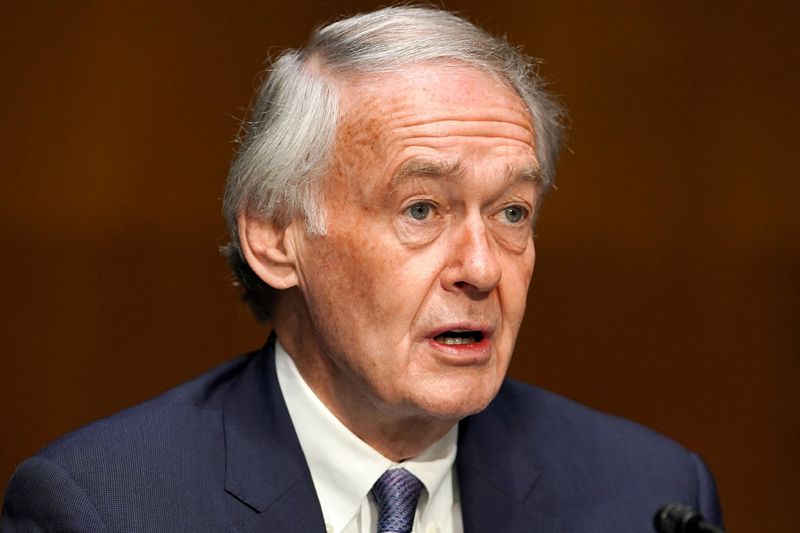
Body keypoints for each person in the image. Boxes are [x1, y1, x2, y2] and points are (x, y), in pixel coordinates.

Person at [1, 6, 723, 533]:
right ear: (274, 234)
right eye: (421, 210)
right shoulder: (104, 507)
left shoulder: (647, 496)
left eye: (511, 213)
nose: (480, 268)